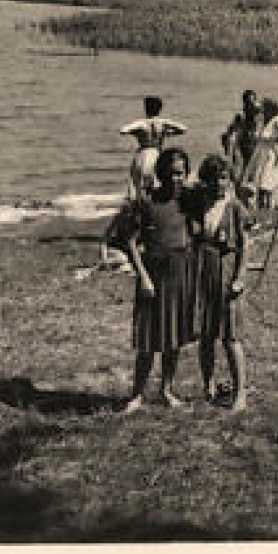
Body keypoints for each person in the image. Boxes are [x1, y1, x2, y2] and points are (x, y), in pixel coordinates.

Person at [116, 148, 197, 413]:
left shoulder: (188, 200)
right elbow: (128, 241)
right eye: (172, 173)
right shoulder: (147, 201)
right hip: (152, 275)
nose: (177, 178)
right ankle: (137, 393)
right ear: (162, 173)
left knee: (173, 338)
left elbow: (219, 193)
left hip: (180, 272)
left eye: (182, 173)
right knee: (148, 340)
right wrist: (144, 277)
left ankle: (166, 390)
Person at [189, 155, 250, 410]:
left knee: (230, 337)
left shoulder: (234, 206)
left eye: (223, 178)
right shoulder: (199, 203)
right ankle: (209, 385)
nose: (218, 183)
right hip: (205, 271)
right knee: (205, 335)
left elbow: (246, 245)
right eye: (213, 179)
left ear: (230, 179)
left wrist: (240, 276)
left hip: (227, 272)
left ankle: (240, 393)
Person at [118, 96, 188, 200]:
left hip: (144, 153)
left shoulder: (142, 123)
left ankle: (138, 203)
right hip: (157, 153)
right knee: (157, 180)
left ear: (146, 108)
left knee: (138, 182)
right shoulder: (163, 123)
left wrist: (136, 133)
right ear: (159, 109)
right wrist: (167, 133)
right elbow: (183, 129)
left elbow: (123, 130)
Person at [240, 98, 278, 216]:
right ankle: (263, 209)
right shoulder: (266, 120)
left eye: (263, 109)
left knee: (265, 184)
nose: (261, 111)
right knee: (259, 184)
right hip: (260, 154)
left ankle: (267, 210)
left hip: (269, 154)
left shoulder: (277, 120)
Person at [220, 90, 262, 178]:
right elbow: (228, 135)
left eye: (252, 103)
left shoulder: (259, 113)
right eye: (247, 103)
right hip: (244, 148)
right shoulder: (240, 118)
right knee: (242, 173)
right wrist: (229, 155)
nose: (249, 106)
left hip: (255, 148)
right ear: (244, 104)